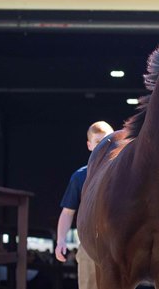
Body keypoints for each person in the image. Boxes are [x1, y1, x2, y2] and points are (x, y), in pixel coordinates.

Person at [55, 121, 114, 289]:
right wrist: (60, 241)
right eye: (98, 142)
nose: (103, 146)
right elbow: (67, 212)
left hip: (118, 244)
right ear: (89, 145)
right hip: (89, 245)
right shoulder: (80, 177)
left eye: (108, 141)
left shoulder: (124, 173)